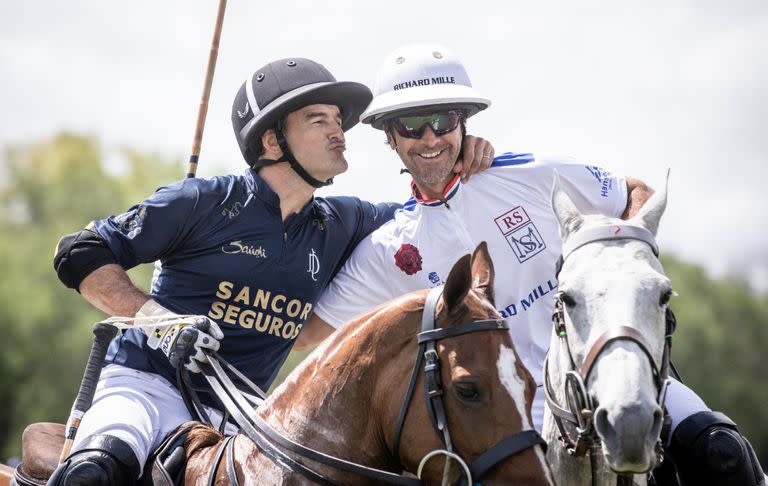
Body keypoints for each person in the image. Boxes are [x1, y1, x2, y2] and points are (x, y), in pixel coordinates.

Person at [306, 44, 766, 485]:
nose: (430, 138)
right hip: (502, 432)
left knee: (721, 454)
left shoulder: (534, 176)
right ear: (389, 137)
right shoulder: (387, 250)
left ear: (463, 122)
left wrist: (616, 277)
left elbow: (634, 195)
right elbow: (307, 334)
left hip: (613, 382)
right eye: (411, 125)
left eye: (442, 119)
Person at [48, 56, 495, 485]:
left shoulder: (345, 222)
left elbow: (425, 214)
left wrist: (460, 159)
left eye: (339, 120)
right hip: (147, 387)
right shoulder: (204, 201)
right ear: (271, 141)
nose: (340, 131)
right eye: (319, 120)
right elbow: (79, 251)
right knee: (98, 469)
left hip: (242, 415)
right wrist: (158, 321)